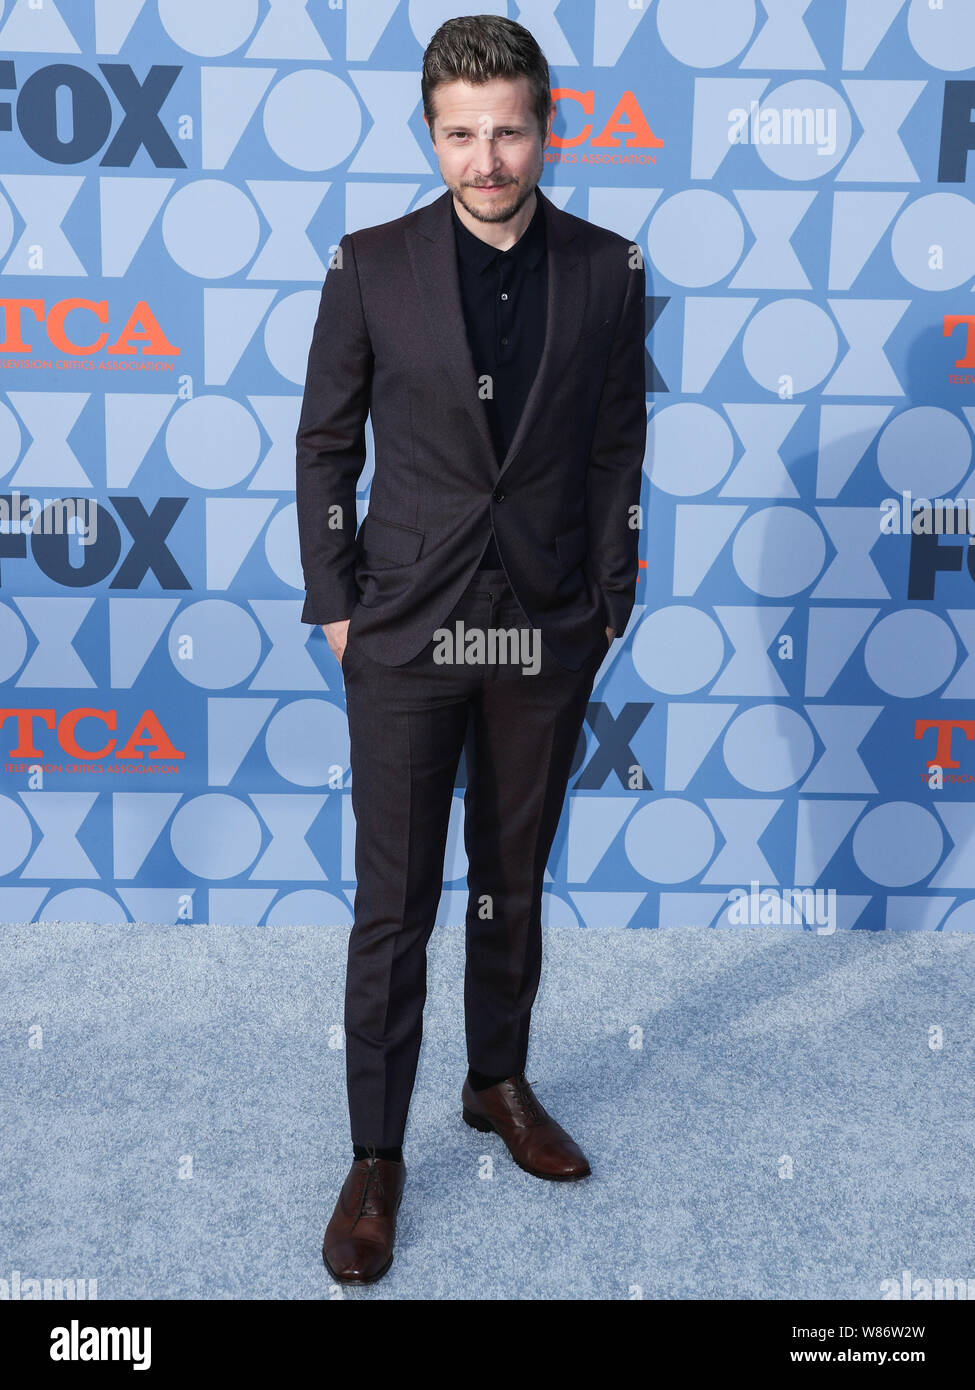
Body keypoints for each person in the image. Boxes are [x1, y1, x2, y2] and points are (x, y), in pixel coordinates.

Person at [295, 13, 647, 1285]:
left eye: (509, 131)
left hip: (546, 626)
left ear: (546, 129)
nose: (487, 158)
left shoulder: (610, 269)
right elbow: (325, 446)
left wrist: (611, 597)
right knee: (394, 904)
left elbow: (617, 450)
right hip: (404, 625)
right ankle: (375, 1157)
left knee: (512, 874)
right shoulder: (370, 265)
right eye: (462, 134)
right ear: (430, 133)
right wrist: (337, 604)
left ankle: (496, 1082)